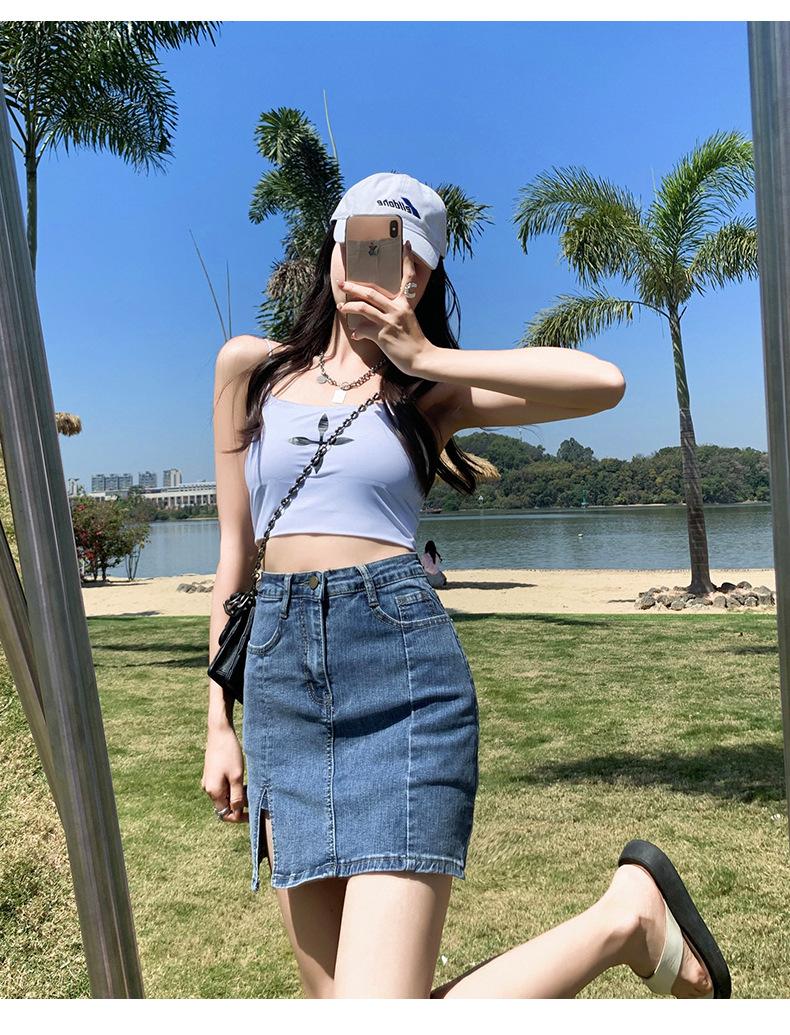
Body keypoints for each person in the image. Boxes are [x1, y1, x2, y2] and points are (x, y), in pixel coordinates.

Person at [203, 171, 730, 998]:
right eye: (365, 242)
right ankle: (628, 917)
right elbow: (235, 557)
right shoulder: (249, 369)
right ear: (333, 247)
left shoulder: (431, 393)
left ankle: (620, 923)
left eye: (406, 257)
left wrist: (425, 355)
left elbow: (602, 382)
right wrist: (217, 723)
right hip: (282, 696)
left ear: (422, 277)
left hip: (402, 682)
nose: (383, 267)